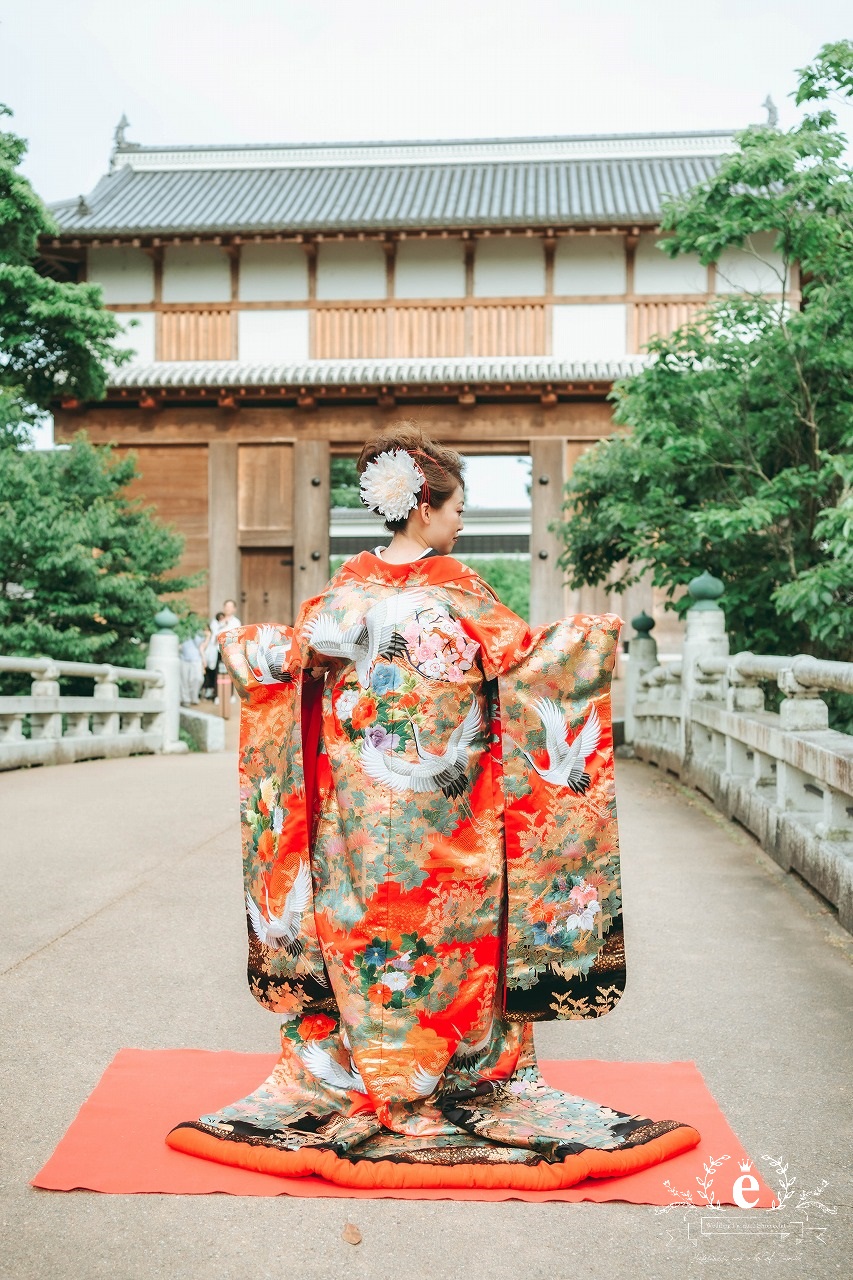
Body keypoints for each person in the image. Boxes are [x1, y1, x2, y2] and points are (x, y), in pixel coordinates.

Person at [167, 424, 700, 1189]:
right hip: (443, 813)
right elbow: (527, 661)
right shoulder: (457, 594)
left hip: (352, 809)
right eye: (455, 508)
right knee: (448, 926)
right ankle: (450, 1073)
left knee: (355, 923)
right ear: (423, 509)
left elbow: (279, 657)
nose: (460, 522)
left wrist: (239, 643)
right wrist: (596, 634)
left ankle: (361, 1067)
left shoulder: (339, 596)